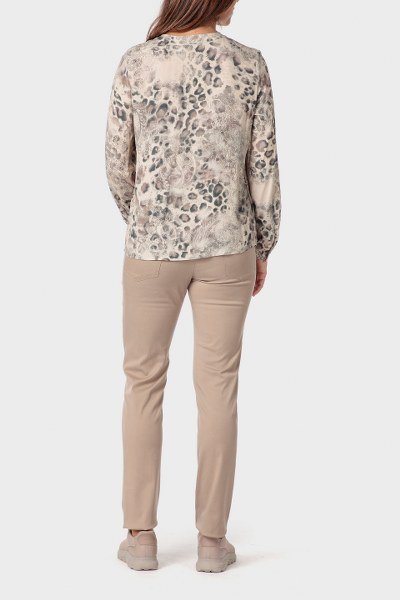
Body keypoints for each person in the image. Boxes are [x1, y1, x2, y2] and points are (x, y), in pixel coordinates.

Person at [105, 0, 281, 573]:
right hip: (228, 245)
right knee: (219, 387)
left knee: (142, 382)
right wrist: (263, 244)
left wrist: (144, 218)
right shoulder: (249, 64)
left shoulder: (136, 62)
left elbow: (117, 163)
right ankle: (212, 542)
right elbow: (264, 167)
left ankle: (140, 538)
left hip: (151, 247)